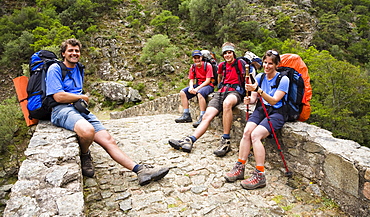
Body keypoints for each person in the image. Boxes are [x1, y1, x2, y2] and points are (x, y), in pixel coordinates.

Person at [45, 38, 169, 185]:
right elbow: (58, 96)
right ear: (63, 53)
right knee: (87, 131)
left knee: (109, 140)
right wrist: (82, 97)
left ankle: (140, 171)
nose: (74, 53)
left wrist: (80, 100)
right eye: (70, 50)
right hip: (61, 110)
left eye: (77, 51)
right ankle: (85, 154)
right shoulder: (55, 69)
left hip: (79, 108)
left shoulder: (79, 68)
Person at [224, 49, 289, 190]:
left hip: (277, 113)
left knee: (256, 135)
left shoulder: (283, 80)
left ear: (277, 65)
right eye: (265, 62)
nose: (266, 66)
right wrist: (249, 99)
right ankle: (240, 166)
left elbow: (273, 100)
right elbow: (254, 99)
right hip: (261, 109)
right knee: (247, 132)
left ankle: (260, 175)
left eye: (270, 63)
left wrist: (258, 90)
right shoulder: (260, 77)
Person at [169, 42, 246, 156]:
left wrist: (249, 95)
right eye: (225, 53)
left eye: (229, 52)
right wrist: (220, 88)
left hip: (235, 92)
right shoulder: (222, 65)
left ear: (233, 53)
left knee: (227, 104)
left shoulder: (240, 63)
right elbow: (219, 77)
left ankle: (226, 141)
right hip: (221, 92)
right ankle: (190, 140)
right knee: (206, 116)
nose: (227, 55)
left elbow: (247, 78)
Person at [175, 50, 215, 128]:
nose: (197, 60)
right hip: (198, 85)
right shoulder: (193, 67)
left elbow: (208, 80)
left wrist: (197, 89)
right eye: (195, 58)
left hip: (208, 85)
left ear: (201, 57)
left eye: (198, 57)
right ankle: (186, 114)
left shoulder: (208, 65)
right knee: (182, 92)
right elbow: (191, 79)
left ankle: (202, 116)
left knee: (200, 94)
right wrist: (191, 87)